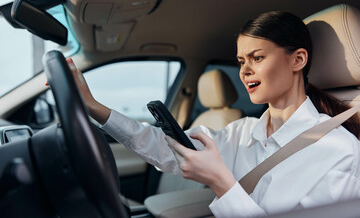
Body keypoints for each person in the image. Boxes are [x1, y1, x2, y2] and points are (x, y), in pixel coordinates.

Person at [66, 11, 360, 217]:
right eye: (241, 60)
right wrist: (94, 107)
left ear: (298, 60)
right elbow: (168, 149)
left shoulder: (339, 150)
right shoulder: (241, 131)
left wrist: (222, 183)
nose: (244, 71)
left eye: (257, 57)